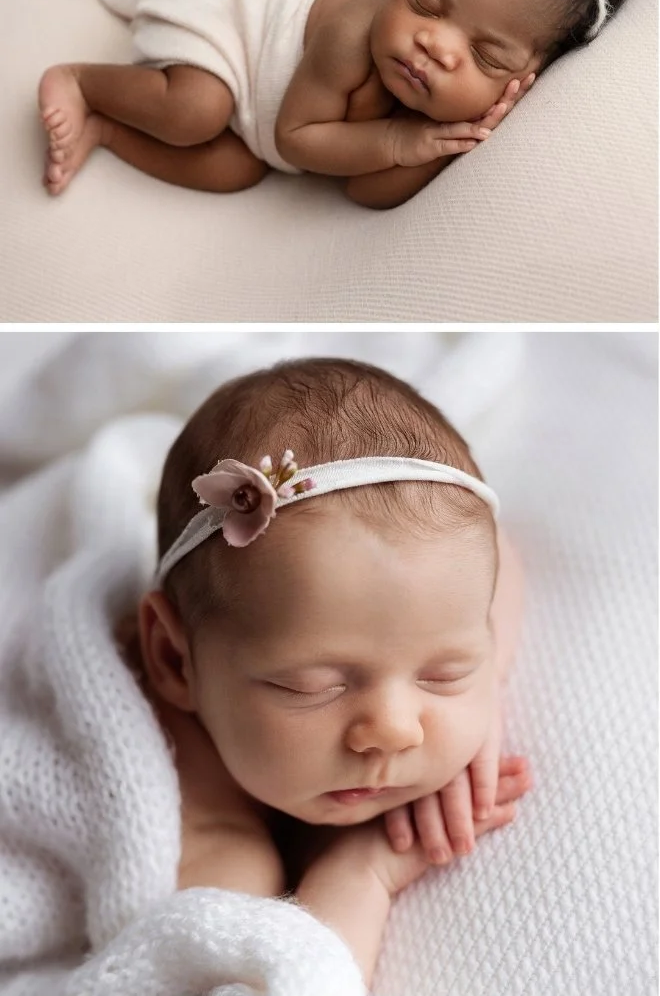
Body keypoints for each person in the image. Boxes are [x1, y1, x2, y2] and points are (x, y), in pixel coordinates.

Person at [130, 358, 530, 983]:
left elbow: (495, 550)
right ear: (175, 661)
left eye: (443, 672)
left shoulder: (425, 585)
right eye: (313, 687)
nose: (396, 731)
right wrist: (361, 870)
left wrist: (488, 688)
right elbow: (281, 972)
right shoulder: (206, 829)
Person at [40, 0, 630, 207]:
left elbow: (365, 193)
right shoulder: (355, 33)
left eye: (485, 54)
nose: (435, 45)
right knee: (198, 109)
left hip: (267, 117)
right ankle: (82, 81)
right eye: (424, 0)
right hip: (227, 13)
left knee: (235, 171)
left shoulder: (435, 97)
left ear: (520, 80)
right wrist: (402, 140)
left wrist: (444, 144)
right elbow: (295, 141)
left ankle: (109, 129)